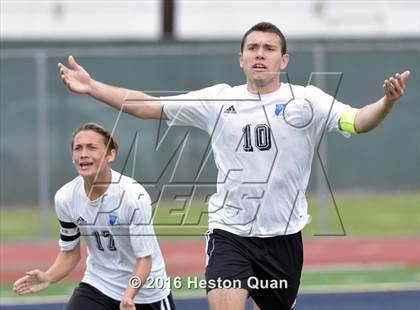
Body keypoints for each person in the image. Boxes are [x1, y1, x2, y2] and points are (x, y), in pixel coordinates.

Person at [57, 22, 410, 310]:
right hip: (230, 235)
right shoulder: (218, 100)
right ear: (240, 58)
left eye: (269, 49)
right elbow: (149, 106)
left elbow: (359, 121)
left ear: (283, 60)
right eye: (253, 48)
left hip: (283, 240)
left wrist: (387, 102)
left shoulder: (308, 101)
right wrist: (93, 88)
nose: (260, 54)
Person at [13, 123, 175, 310]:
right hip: (99, 284)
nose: (83, 154)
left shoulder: (133, 196)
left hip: (146, 293)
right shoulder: (65, 197)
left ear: (110, 155)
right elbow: (70, 253)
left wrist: (128, 296)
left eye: (92, 147)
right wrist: (48, 277)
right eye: (78, 148)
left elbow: (145, 260)